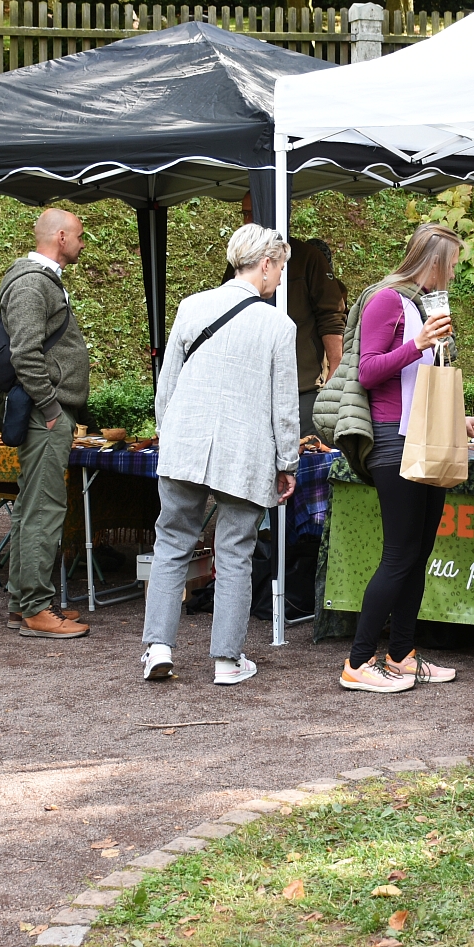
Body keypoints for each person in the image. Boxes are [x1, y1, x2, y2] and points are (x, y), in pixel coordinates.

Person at [141, 223, 301, 686]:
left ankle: (158, 648)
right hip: (245, 452)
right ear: (266, 264)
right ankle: (227, 661)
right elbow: (284, 406)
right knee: (235, 553)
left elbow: (167, 384)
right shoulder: (279, 325)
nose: (279, 278)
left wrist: (168, 434)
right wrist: (286, 463)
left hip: (185, 444)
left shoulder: (191, 306)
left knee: (172, 544)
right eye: (280, 269)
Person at [339, 223, 474, 693]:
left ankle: (401, 655)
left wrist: (458, 420)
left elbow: (424, 380)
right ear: (433, 261)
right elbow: (368, 370)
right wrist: (416, 344)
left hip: (425, 437)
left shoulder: (422, 305)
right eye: (451, 265)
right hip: (394, 441)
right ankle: (358, 662)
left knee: (418, 554)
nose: (453, 274)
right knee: (399, 555)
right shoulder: (386, 300)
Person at [0, 209, 93, 639]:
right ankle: (36, 608)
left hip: (44, 412)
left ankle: (23, 603)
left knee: (32, 507)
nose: (83, 244)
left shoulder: (41, 281)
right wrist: (52, 408)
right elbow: (25, 353)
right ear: (61, 237)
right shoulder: (32, 284)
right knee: (43, 509)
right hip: (44, 415)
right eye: (80, 236)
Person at [239, 192, 346, 437]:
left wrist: (335, 370)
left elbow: (331, 316)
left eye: (252, 213)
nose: (247, 221)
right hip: (253, 390)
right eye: (244, 214)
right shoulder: (241, 264)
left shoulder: (308, 258)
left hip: (302, 387)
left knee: (305, 453)